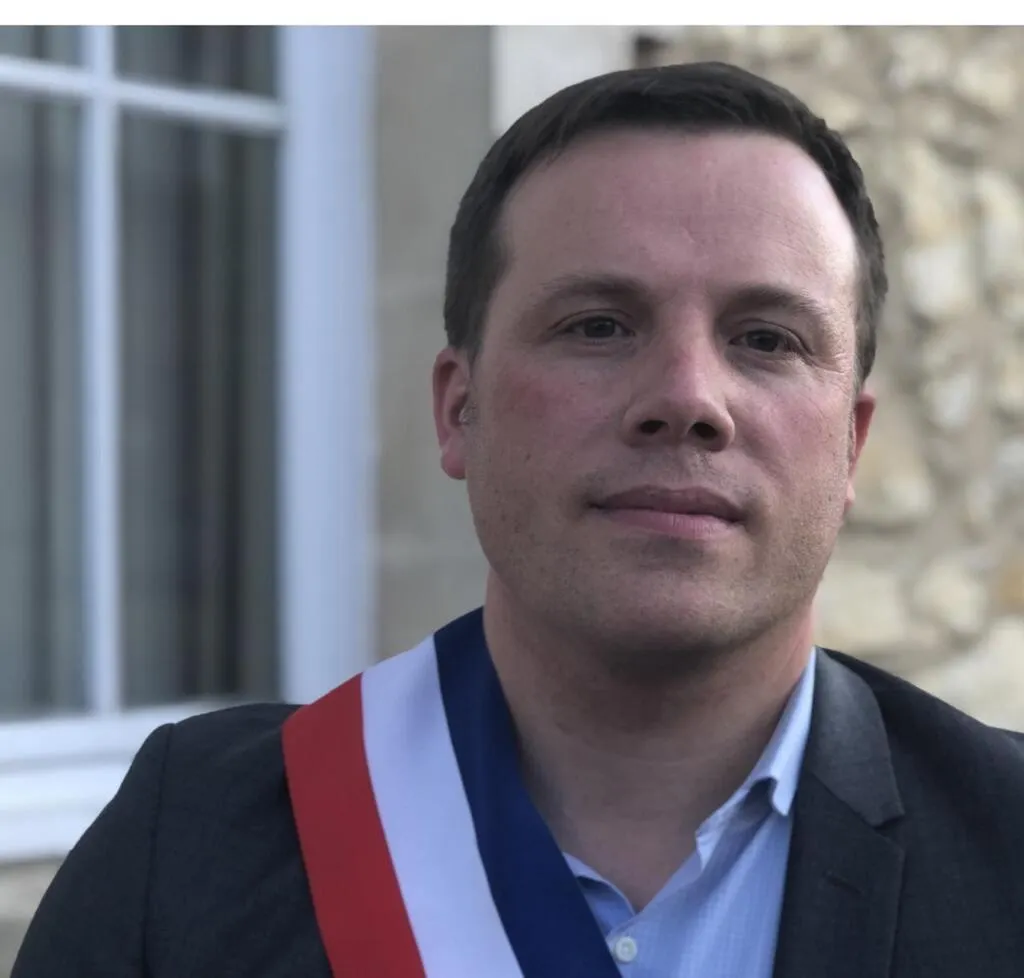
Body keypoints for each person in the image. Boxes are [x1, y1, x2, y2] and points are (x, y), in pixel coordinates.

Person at [13, 60, 1024, 978]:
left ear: (851, 446)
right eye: (599, 325)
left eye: (765, 339)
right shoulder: (190, 851)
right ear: (460, 410)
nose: (686, 397)